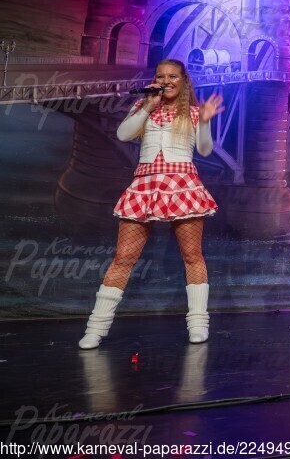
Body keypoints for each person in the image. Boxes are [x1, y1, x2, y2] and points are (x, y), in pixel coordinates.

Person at [79, 59, 223, 349]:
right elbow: (123, 134)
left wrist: (206, 120)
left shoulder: (193, 113)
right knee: (123, 257)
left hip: (182, 184)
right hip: (145, 185)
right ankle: (95, 328)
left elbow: (205, 150)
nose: (166, 81)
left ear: (183, 81)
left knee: (192, 256)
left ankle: (198, 324)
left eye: (173, 76)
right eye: (161, 76)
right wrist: (147, 105)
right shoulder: (142, 107)